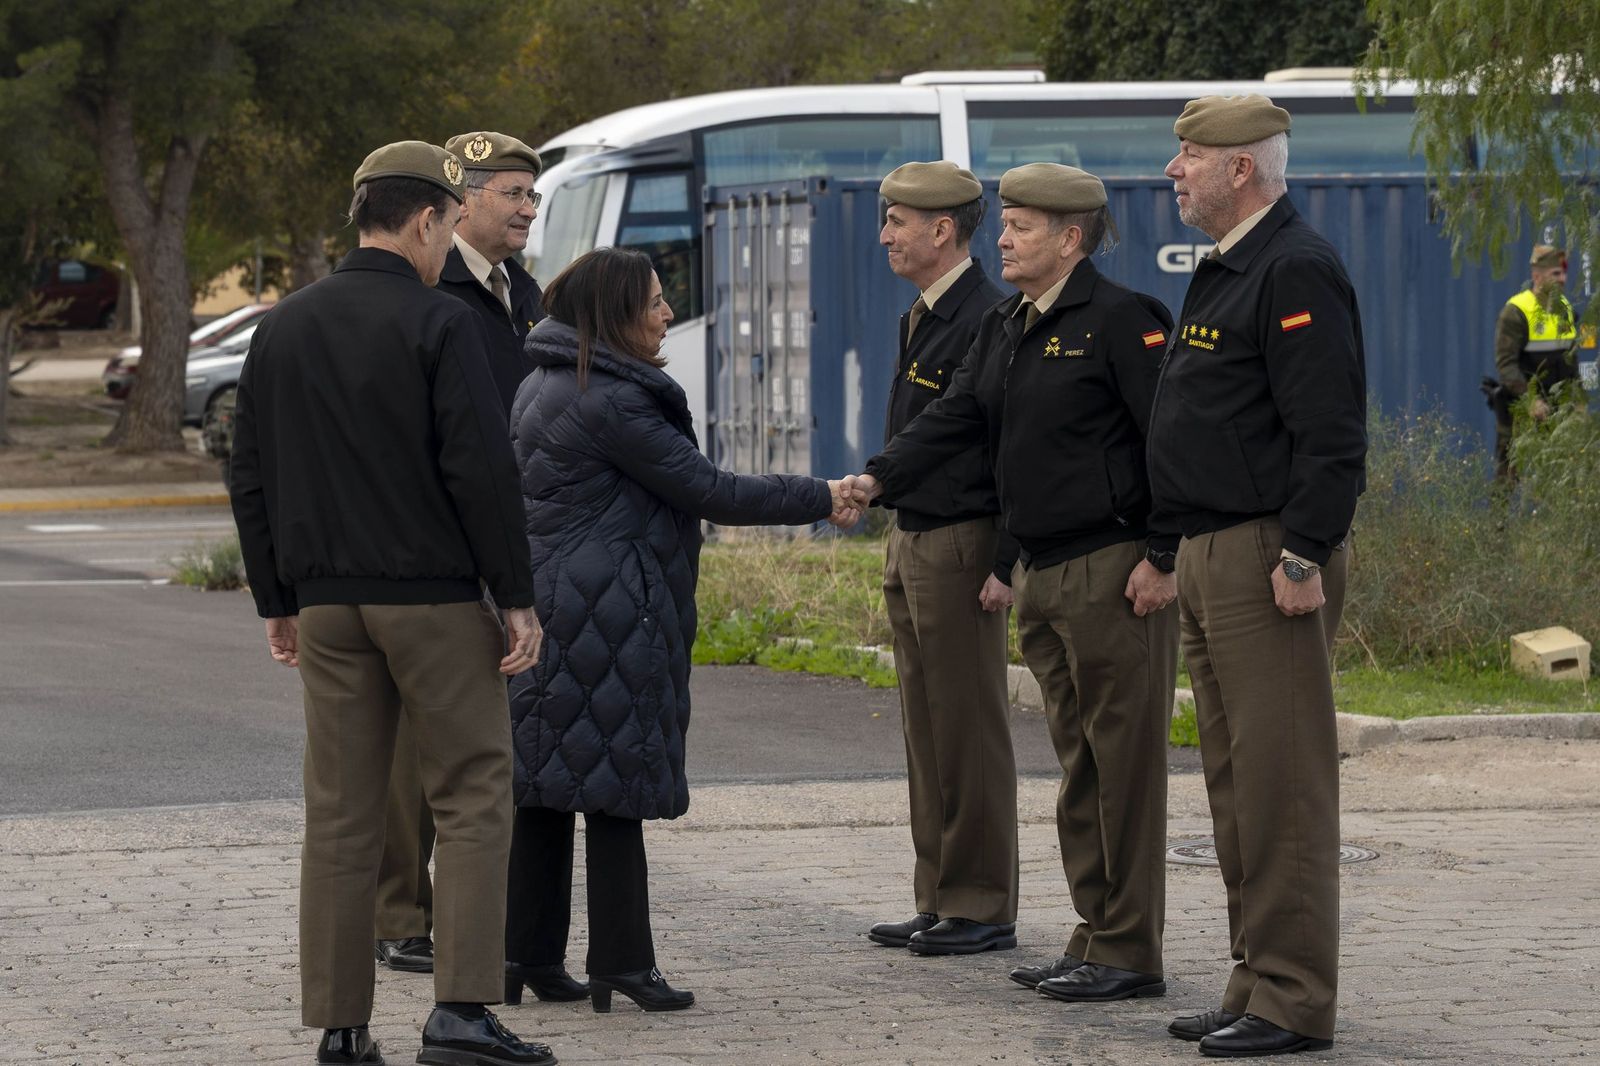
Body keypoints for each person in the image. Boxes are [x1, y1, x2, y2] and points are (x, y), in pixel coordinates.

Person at [229, 140, 556, 1066]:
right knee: (474, 795)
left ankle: (341, 1027)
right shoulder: (438, 322)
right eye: (450, 224)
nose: (447, 242)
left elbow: (247, 470)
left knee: (342, 812)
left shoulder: (281, 326)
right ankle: (459, 1012)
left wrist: (276, 598)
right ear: (425, 219)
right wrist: (517, 596)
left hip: (328, 607)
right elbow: (481, 469)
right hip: (434, 602)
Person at [846, 162, 1179, 999]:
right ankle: (1093, 933)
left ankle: (1129, 949)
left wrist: (1164, 556)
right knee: (1079, 769)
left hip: (1112, 566)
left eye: (1021, 227)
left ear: (1071, 238)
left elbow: (1166, 441)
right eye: (1005, 224)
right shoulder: (1008, 324)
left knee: (1122, 769)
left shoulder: (1120, 318)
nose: (1002, 238)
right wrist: (876, 478)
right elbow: (959, 415)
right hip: (1047, 570)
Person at [504, 246, 858, 1014]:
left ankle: (523, 955)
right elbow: (709, 489)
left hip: (550, 603)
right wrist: (823, 493)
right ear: (616, 314)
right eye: (656, 302)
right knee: (614, 785)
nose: (668, 314)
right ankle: (624, 965)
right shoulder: (612, 399)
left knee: (543, 783)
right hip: (610, 614)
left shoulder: (541, 384)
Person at [1148, 95, 1366, 1057]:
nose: (1172, 170)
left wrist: (1305, 551)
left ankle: (1293, 997)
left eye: (1187, 155)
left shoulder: (1294, 266)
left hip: (1267, 554)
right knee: (1236, 789)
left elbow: (1329, 428)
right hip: (1208, 550)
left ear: (1242, 167)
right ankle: (1253, 980)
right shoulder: (1228, 267)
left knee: (1283, 789)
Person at [370, 129, 552, 982]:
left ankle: (457, 909)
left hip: (512, 525)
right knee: (415, 740)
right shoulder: (427, 285)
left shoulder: (524, 291)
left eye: (531, 195)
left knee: (473, 737)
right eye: (512, 192)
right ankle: (402, 913)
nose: (526, 208)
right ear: (460, 199)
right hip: (441, 538)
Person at [861, 161, 1020, 958]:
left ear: (942, 230)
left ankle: (982, 901)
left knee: (966, 728)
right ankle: (939, 894)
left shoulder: (988, 317)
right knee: (926, 729)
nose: (886, 234)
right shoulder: (924, 314)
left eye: (897, 221)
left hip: (960, 538)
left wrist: (874, 477)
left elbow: (968, 431)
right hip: (913, 532)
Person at [1490, 244, 1579, 478]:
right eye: (1556, 274)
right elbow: (1506, 365)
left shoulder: (1565, 310)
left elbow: (1571, 361)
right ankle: (1499, 515)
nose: (1563, 279)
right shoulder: (1516, 311)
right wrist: (1531, 402)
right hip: (1522, 411)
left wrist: (1578, 404)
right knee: (1508, 477)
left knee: (1564, 476)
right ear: (1537, 276)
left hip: (1558, 411)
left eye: (1564, 273)